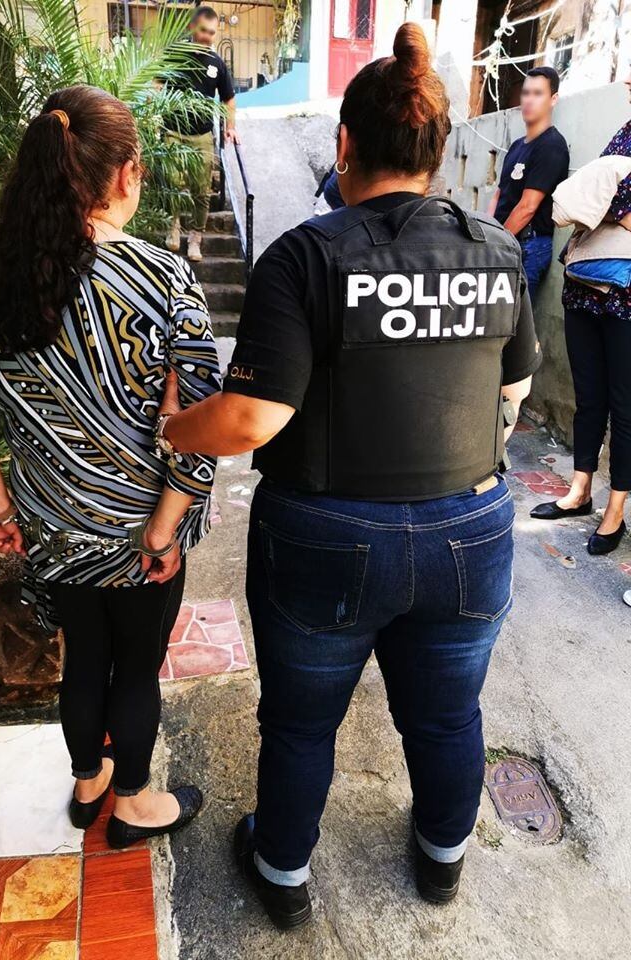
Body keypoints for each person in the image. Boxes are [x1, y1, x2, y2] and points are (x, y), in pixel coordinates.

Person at [153, 23, 542, 927]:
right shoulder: (493, 249)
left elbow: (251, 418)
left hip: (326, 536)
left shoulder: (305, 255)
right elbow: (514, 389)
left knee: (302, 721)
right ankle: (443, 858)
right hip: (469, 528)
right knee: (448, 715)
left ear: (345, 144)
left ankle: (284, 869)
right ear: (437, 152)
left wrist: (171, 428)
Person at [0, 85, 221, 848]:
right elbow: (202, 424)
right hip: (142, 533)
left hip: (52, 530)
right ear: (126, 174)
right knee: (136, 669)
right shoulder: (165, 279)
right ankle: (132, 803)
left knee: (84, 660)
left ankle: (88, 783)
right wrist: (163, 529)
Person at [529, 72, 631, 555]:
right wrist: (609, 204)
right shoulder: (624, 132)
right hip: (584, 287)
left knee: (624, 405)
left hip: (626, 295)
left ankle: (616, 512)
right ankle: (579, 490)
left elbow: (600, 197)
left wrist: (603, 200)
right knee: (589, 397)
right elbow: (587, 199)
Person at [488, 66, 569, 302]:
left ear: (553, 99)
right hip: (504, 241)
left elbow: (528, 207)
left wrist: (496, 244)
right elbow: (499, 195)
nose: (529, 100)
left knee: (512, 319)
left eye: (538, 93)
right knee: (493, 317)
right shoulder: (516, 146)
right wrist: (487, 235)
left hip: (528, 246)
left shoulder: (552, 145)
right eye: (526, 93)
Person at [165, 5, 238, 262]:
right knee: (172, 182)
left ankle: (196, 237)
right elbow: (156, 84)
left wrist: (230, 127)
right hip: (173, 131)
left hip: (203, 135)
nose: (207, 36)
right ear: (192, 27)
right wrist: (153, 116)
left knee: (201, 189)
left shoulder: (217, 63)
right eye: (203, 30)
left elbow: (228, 98)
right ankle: (173, 227)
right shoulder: (174, 54)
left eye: (212, 32)